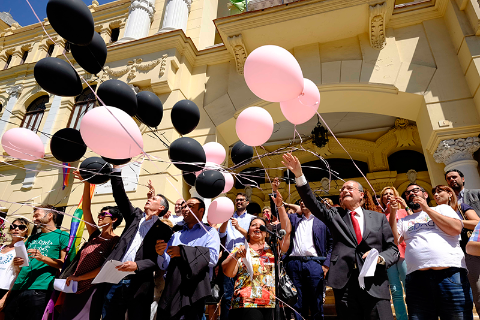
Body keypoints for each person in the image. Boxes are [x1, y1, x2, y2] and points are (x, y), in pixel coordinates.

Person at [282, 153, 399, 320]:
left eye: (349, 188)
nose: (344, 191)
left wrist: (380, 258)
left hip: (375, 283)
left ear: (362, 195)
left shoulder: (378, 218)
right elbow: (312, 202)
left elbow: (392, 248)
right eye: (342, 189)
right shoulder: (335, 215)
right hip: (345, 285)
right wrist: (299, 175)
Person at [389, 183, 473, 319]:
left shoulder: (442, 209)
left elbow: (456, 228)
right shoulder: (404, 220)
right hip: (417, 281)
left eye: (415, 190)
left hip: (450, 276)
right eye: (408, 193)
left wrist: (427, 209)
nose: (412, 194)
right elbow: (395, 241)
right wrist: (393, 213)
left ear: (425, 194)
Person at [101, 167, 172, 320]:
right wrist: (116, 170)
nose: (149, 199)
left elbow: (157, 259)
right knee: (109, 315)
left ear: (161, 208)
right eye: (150, 198)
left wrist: (137, 266)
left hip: (139, 281)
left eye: (154, 200)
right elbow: (120, 195)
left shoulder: (164, 230)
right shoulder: (134, 217)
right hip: (115, 275)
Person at [58, 172, 123, 320]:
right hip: (74, 286)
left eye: (103, 214)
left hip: (92, 289)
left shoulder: (116, 241)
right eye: (99, 214)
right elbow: (86, 209)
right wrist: (87, 182)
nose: (99, 216)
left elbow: (105, 268)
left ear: (114, 219)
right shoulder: (94, 235)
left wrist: (80, 278)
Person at [272, 178, 333, 320]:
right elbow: (278, 210)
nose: (302, 202)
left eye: (305, 200)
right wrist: (275, 191)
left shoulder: (323, 220)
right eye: (300, 200)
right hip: (293, 263)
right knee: (297, 304)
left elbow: (332, 243)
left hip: (315, 264)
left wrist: (326, 264)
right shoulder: (293, 219)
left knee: (316, 302)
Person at [156, 197, 220, 320]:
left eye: (190, 206)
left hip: (195, 289)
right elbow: (165, 264)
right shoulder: (176, 235)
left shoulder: (210, 232)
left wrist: (182, 251)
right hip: (173, 288)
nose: (185, 209)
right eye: (184, 206)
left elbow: (212, 258)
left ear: (201, 211)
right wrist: (161, 254)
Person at [4, 205, 69, 320]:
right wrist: (18, 261)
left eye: (37, 215)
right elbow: (23, 261)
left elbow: (63, 263)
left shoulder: (62, 236)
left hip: (40, 289)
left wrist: (42, 257)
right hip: (19, 286)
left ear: (49, 215)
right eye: (33, 216)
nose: (34, 219)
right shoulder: (32, 238)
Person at [222, 217, 275, 320]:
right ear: (249, 231)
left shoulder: (273, 250)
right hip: (246, 302)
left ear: (266, 232)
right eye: (254, 225)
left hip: (271, 302)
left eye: (261, 226)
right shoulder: (240, 249)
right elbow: (228, 272)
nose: (257, 227)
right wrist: (236, 256)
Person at [446, 169, 480, 315]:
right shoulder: (447, 206)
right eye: (448, 178)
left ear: (463, 178)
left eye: (454, 177)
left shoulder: (476, 193)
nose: (452, 180)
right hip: (466, 250)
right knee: (478, 291)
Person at [219, 193, 255, 320]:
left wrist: (238, 227)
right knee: (227, 294)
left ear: (247, 203)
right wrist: (225, 220)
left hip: (245, 258)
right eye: (237, 200)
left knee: (245, 293)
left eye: (241, 200)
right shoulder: (229, 218)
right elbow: (221, 235)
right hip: (229, 257)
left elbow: (252, 238)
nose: (239, 202)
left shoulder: (252, 219)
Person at [379, 186, 409, 320]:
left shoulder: (404, 212)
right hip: (389, 254)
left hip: (405, 252)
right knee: (396, 290)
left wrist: (405, 206)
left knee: (409, 287)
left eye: (391, 193)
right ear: (382, 199)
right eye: (385, 194)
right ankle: (402, 318)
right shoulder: (379, 216)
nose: (388, 196)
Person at [0, 218, 30, 317]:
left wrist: (5, 297)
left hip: (7, 289)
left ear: (26, 232)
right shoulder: (2, 247)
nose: (16, 229)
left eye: (21, 227)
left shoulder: (24, 250)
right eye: (13, 226)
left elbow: (20, 274)